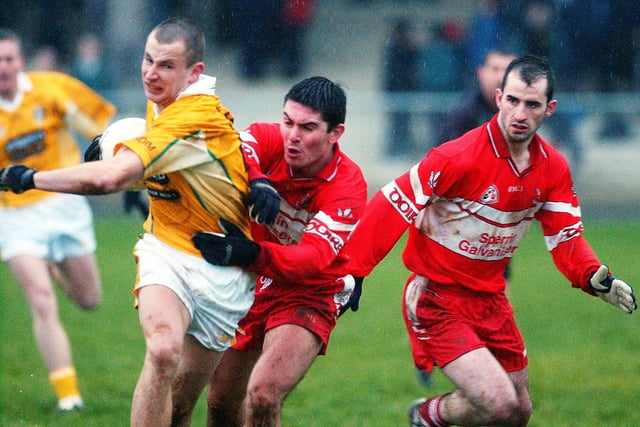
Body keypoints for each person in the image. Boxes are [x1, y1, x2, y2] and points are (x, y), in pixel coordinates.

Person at [0, 18, 278, 426]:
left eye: (166, 65)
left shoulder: (194, 113)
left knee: (181, 406)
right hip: (164, 250)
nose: (151, 73)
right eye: (148, 60)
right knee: (162, 349)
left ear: (193, 73)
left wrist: (29, 178)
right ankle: (67, 395)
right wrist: (144, 184)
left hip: (221, 270)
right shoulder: (161, 98)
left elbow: (111, 175)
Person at [344, 55, 636, 426]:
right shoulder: (457, 156)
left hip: (492, 300)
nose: (520, 112)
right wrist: (355, 271)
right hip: (437, 298)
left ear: (550, 109)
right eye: (513, 100)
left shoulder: (552, 168)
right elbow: (392, 203)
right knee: (499, 403)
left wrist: (593, 276)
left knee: (520, 411)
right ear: (498, 97)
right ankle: (426, 416)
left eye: (532, 104)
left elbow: (566, 236)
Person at [174, 76, 368, 426]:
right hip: (254, 283)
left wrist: (248, 254)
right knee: (219, 403)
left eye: (308, 128)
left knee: (263, 394)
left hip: (311, 291)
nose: (292, 136)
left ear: (335, 133)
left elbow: (312, 259)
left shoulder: (348, 184)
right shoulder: (269, 138)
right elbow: (230, 146)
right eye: (288, 121)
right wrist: (257, 177)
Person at [0, 28, 115, 412]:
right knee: (41, 300)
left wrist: (130, 174)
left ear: (21, 61)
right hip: (15, 216)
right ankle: (70, 398)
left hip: (65, 205)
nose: (3, 67)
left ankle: (54, 264)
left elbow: (106, 129)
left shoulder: (53, 89)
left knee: (89, 300)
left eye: (10, 59)